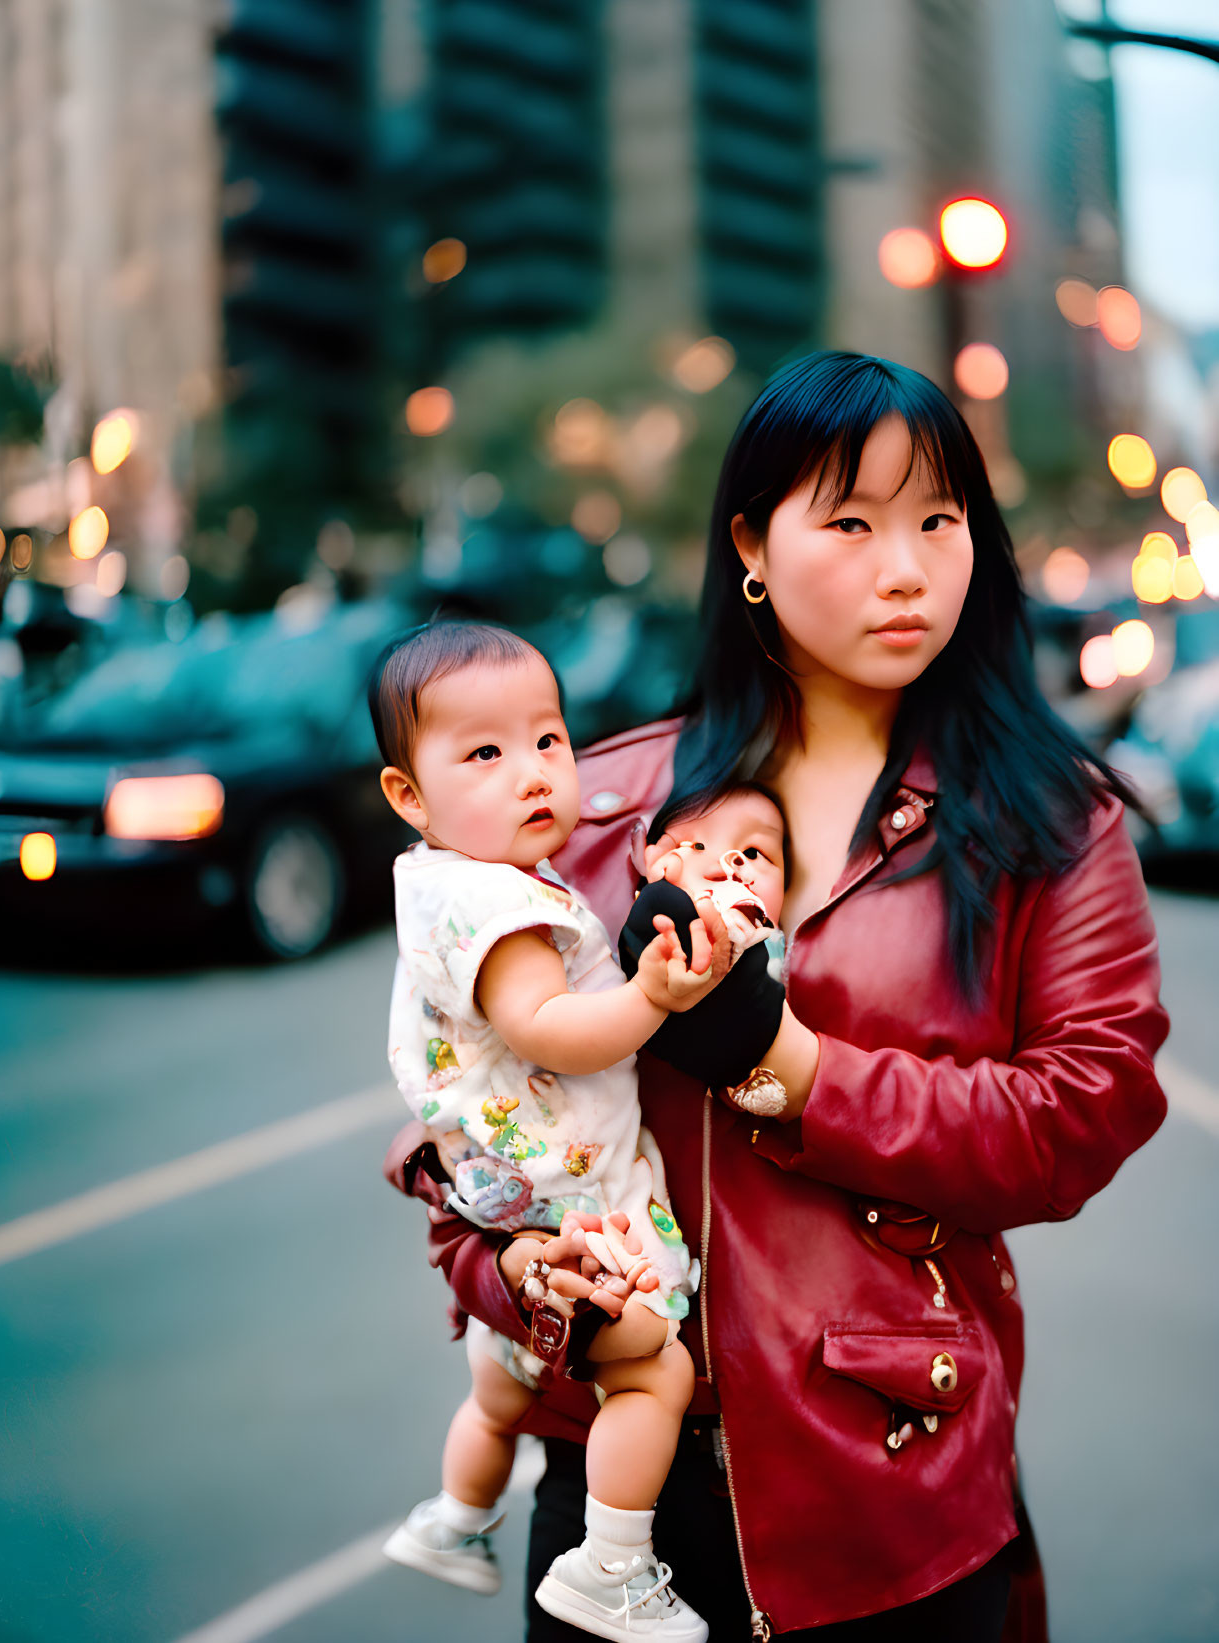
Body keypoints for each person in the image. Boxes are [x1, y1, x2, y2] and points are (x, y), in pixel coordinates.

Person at [384, 351, 1169, 1641]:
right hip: (614, 1500)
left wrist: (790, 1061)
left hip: (892, 1479)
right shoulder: (596, 808)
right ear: (751, 539)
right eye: (851, 522)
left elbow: (1082, 1112)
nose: (905, 566)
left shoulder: (1046, 820)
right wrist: (521, 1268)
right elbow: (461, 1126)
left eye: (938, 519)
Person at [372, 623, 787, 1640]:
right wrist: (652, 995)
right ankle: (612, 1562)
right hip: (573, 1212)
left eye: (549, 740)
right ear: (407, 795)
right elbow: (552, 1030)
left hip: (506, 1196)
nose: (533, 774)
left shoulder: (445, 881)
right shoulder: (500, 907)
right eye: (485, 754)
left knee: (499, 1401)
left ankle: (455, 1516)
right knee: (656, 1371)